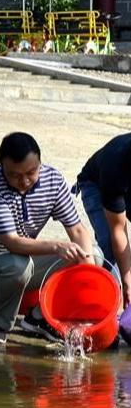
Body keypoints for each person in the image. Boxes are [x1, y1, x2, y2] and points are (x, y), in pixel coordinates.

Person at [0, 132, 95, 344]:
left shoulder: (53, 180)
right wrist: (56, 246)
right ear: (2, 167)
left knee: (91, 255)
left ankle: (40, 317)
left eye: (31, 172)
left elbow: (77, 230)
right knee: (18, 264)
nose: (24, 181)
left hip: (23, 261)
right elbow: (11, 243)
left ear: (40, 162)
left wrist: (86, 272)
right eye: (14, 175)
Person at [76, 132, 131, 308]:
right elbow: (118, 231)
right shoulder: (115, 166)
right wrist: (127, 281)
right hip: (95, 185)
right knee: (110, 247)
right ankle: (102, 306)